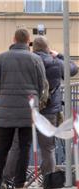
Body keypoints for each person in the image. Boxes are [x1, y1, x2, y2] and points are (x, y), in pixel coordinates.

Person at [0, 28, 47, 189]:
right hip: (28, 109)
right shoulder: (35, 59)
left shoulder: (2, 58)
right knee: (25, 147)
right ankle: (19, 185)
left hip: (6, 110)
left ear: (13, 39)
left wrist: (4, 95)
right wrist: (35, 98)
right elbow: (42, 85)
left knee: (2, 148)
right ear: (28, 42)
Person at [32, 36, 78, 177]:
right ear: (47, 48)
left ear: (33, 48)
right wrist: (59, 55)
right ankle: (49, 179)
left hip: (30, 110)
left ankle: (15, 181)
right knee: (48, 148)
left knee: (22, 145)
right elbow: (73, 69)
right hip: (50, 110)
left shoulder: (30, 60)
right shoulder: (55, 62)